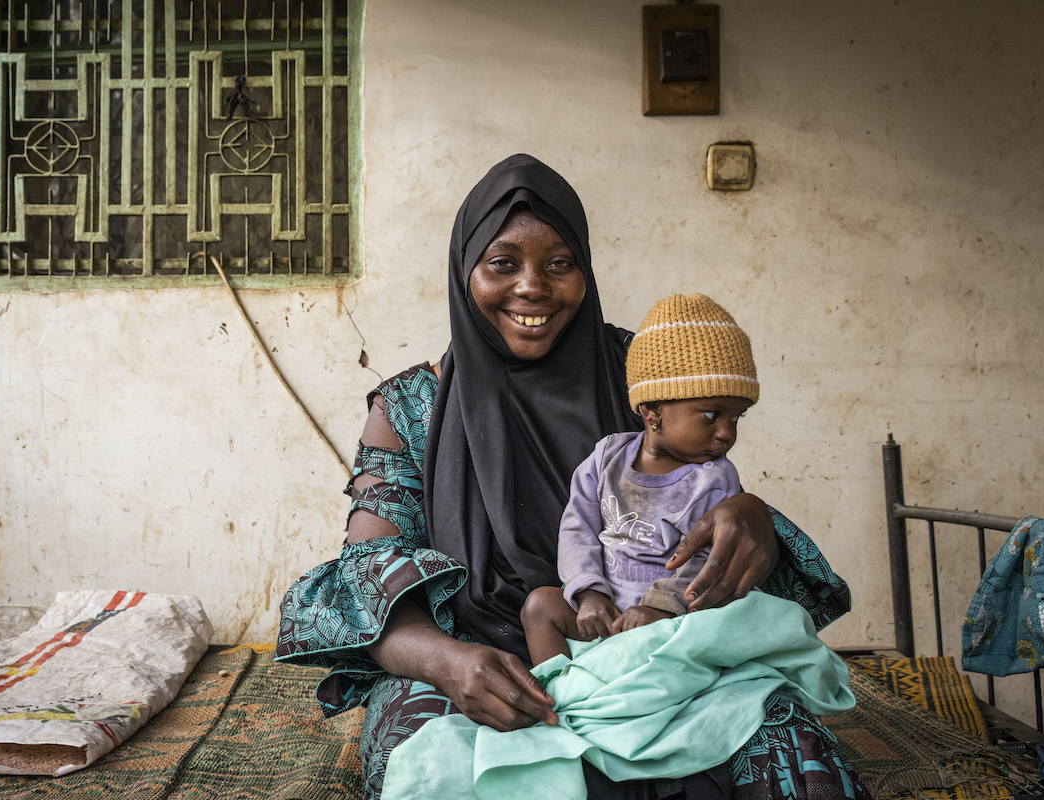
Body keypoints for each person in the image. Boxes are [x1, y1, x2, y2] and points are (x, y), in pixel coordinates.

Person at [276, 154, 869, 800]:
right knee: (426, 758)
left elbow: (701, 506)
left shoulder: (639, 374)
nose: (533, 287)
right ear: (463, 273)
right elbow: (368, 575)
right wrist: (447, 663)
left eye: (560, 263)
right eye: (503, 263)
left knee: (784, 742)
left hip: (647, 643)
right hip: (478, 663)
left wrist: (752, 516)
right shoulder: (410, 409)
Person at [521, 293, 759, 665]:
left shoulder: (714, 479)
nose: (726, 433)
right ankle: (562, 695)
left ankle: (625, 693)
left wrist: (660, 609)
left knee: (705, 636)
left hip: (670, 616)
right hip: (604, 609)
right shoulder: (607, 457)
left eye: (737, 418)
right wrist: (588, 594)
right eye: (712, 415)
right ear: (652, 411)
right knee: (539, 607)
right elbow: (577, 528)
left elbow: (709, 559)